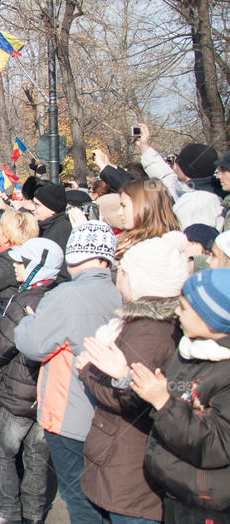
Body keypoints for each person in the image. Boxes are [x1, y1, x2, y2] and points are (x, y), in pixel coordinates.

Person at [14, 221, 122, 524]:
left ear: (73, 255)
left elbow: (33, 344)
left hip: (69, 414)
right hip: (112, 415)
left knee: (78, 497)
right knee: (105, 496)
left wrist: (29, 320)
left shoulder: (65, 296)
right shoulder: (120, 293)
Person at [75, 232, 187, 523]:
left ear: (141, 281)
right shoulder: (147, 323)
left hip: (129, 470)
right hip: (122, 462)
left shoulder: (148, 332)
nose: (117, 277)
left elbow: (131, 398)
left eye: (122, 272)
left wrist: (88, 371)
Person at [0, 238, 64, 524]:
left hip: (17, 389)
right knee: (37, 456)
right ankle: (34, 514)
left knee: (2, 452)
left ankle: (6, 511)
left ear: (38, 267)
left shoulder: (24, 300)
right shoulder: (62, 297)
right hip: (48, 392)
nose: (16, 266)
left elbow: (0, 349)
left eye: (22, 262)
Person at [135, 269, 230, 521]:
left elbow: (217, 444)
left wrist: (163, 403)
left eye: (185, 308)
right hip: (178, 491)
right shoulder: (189, 350)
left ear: (213, 318)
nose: (177, 312)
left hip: (207, 504)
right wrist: (128, 377)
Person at [116, 178, 181, 259]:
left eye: (124, 206)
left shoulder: (157, 252)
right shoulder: (125, 242)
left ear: (143, 206)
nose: (119, 213)